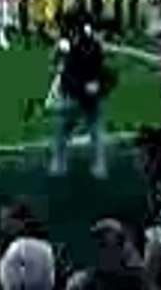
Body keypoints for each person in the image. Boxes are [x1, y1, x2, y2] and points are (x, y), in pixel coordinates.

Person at [48, 10, 116, 179]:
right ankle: (95, 166)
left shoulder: (81, 44)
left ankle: (61, 164)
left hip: (80, 95)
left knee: (69, 129)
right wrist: (93, 85)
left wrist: (96, 85)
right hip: (80, 93)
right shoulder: (86, 44)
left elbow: (62, 67)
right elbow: (65, 69)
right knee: (87, 130)